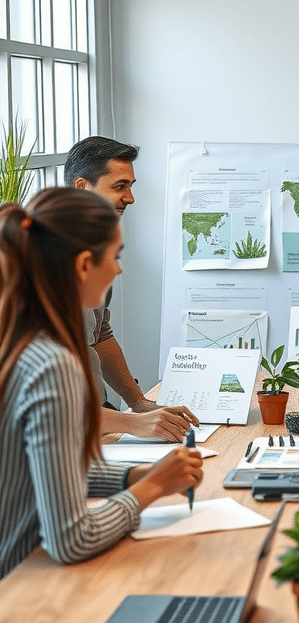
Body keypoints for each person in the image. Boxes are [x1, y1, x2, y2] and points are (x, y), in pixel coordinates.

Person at [0, 187, 204, 623]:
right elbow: (70, 537)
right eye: (115, 255)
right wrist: (149, 491)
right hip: (25, 593)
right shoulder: (56, 366)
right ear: (84, 264)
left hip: (19, 570)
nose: (119, 268)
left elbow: (48, 471)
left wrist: (133, 474)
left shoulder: (19, 342)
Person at [64, 136, 195, 441]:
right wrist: (135, 424)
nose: (131, 198)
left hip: (94, 423)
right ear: (82, 187)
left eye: (131, 185)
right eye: (119, 186)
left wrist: (138, 403)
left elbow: (100, 336)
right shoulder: (46, 262)